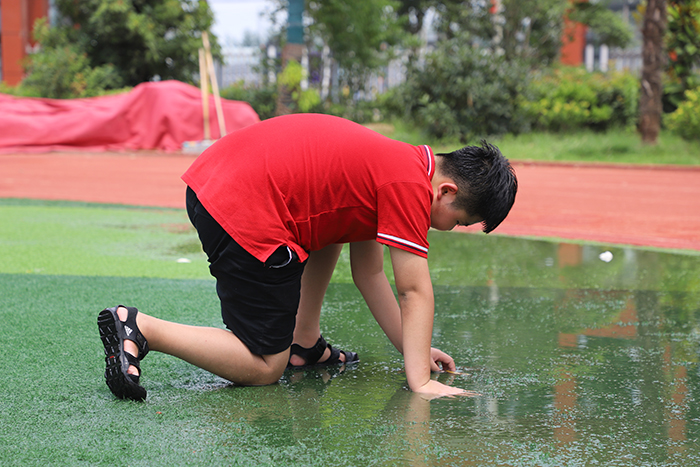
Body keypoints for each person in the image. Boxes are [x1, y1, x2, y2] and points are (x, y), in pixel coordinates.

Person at [97, 113, 517, 401]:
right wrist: (420, 381)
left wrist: (414, 351)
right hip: (240, 204)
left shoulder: (395, 166)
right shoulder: (409, 187)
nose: (448, 229)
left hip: (220, 180)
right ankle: (141, 327)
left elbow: (369, 274)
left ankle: (304, 342)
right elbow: (412, 289)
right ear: (446, 192)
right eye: (459, 222)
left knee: (331, 231)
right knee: (264, 367)